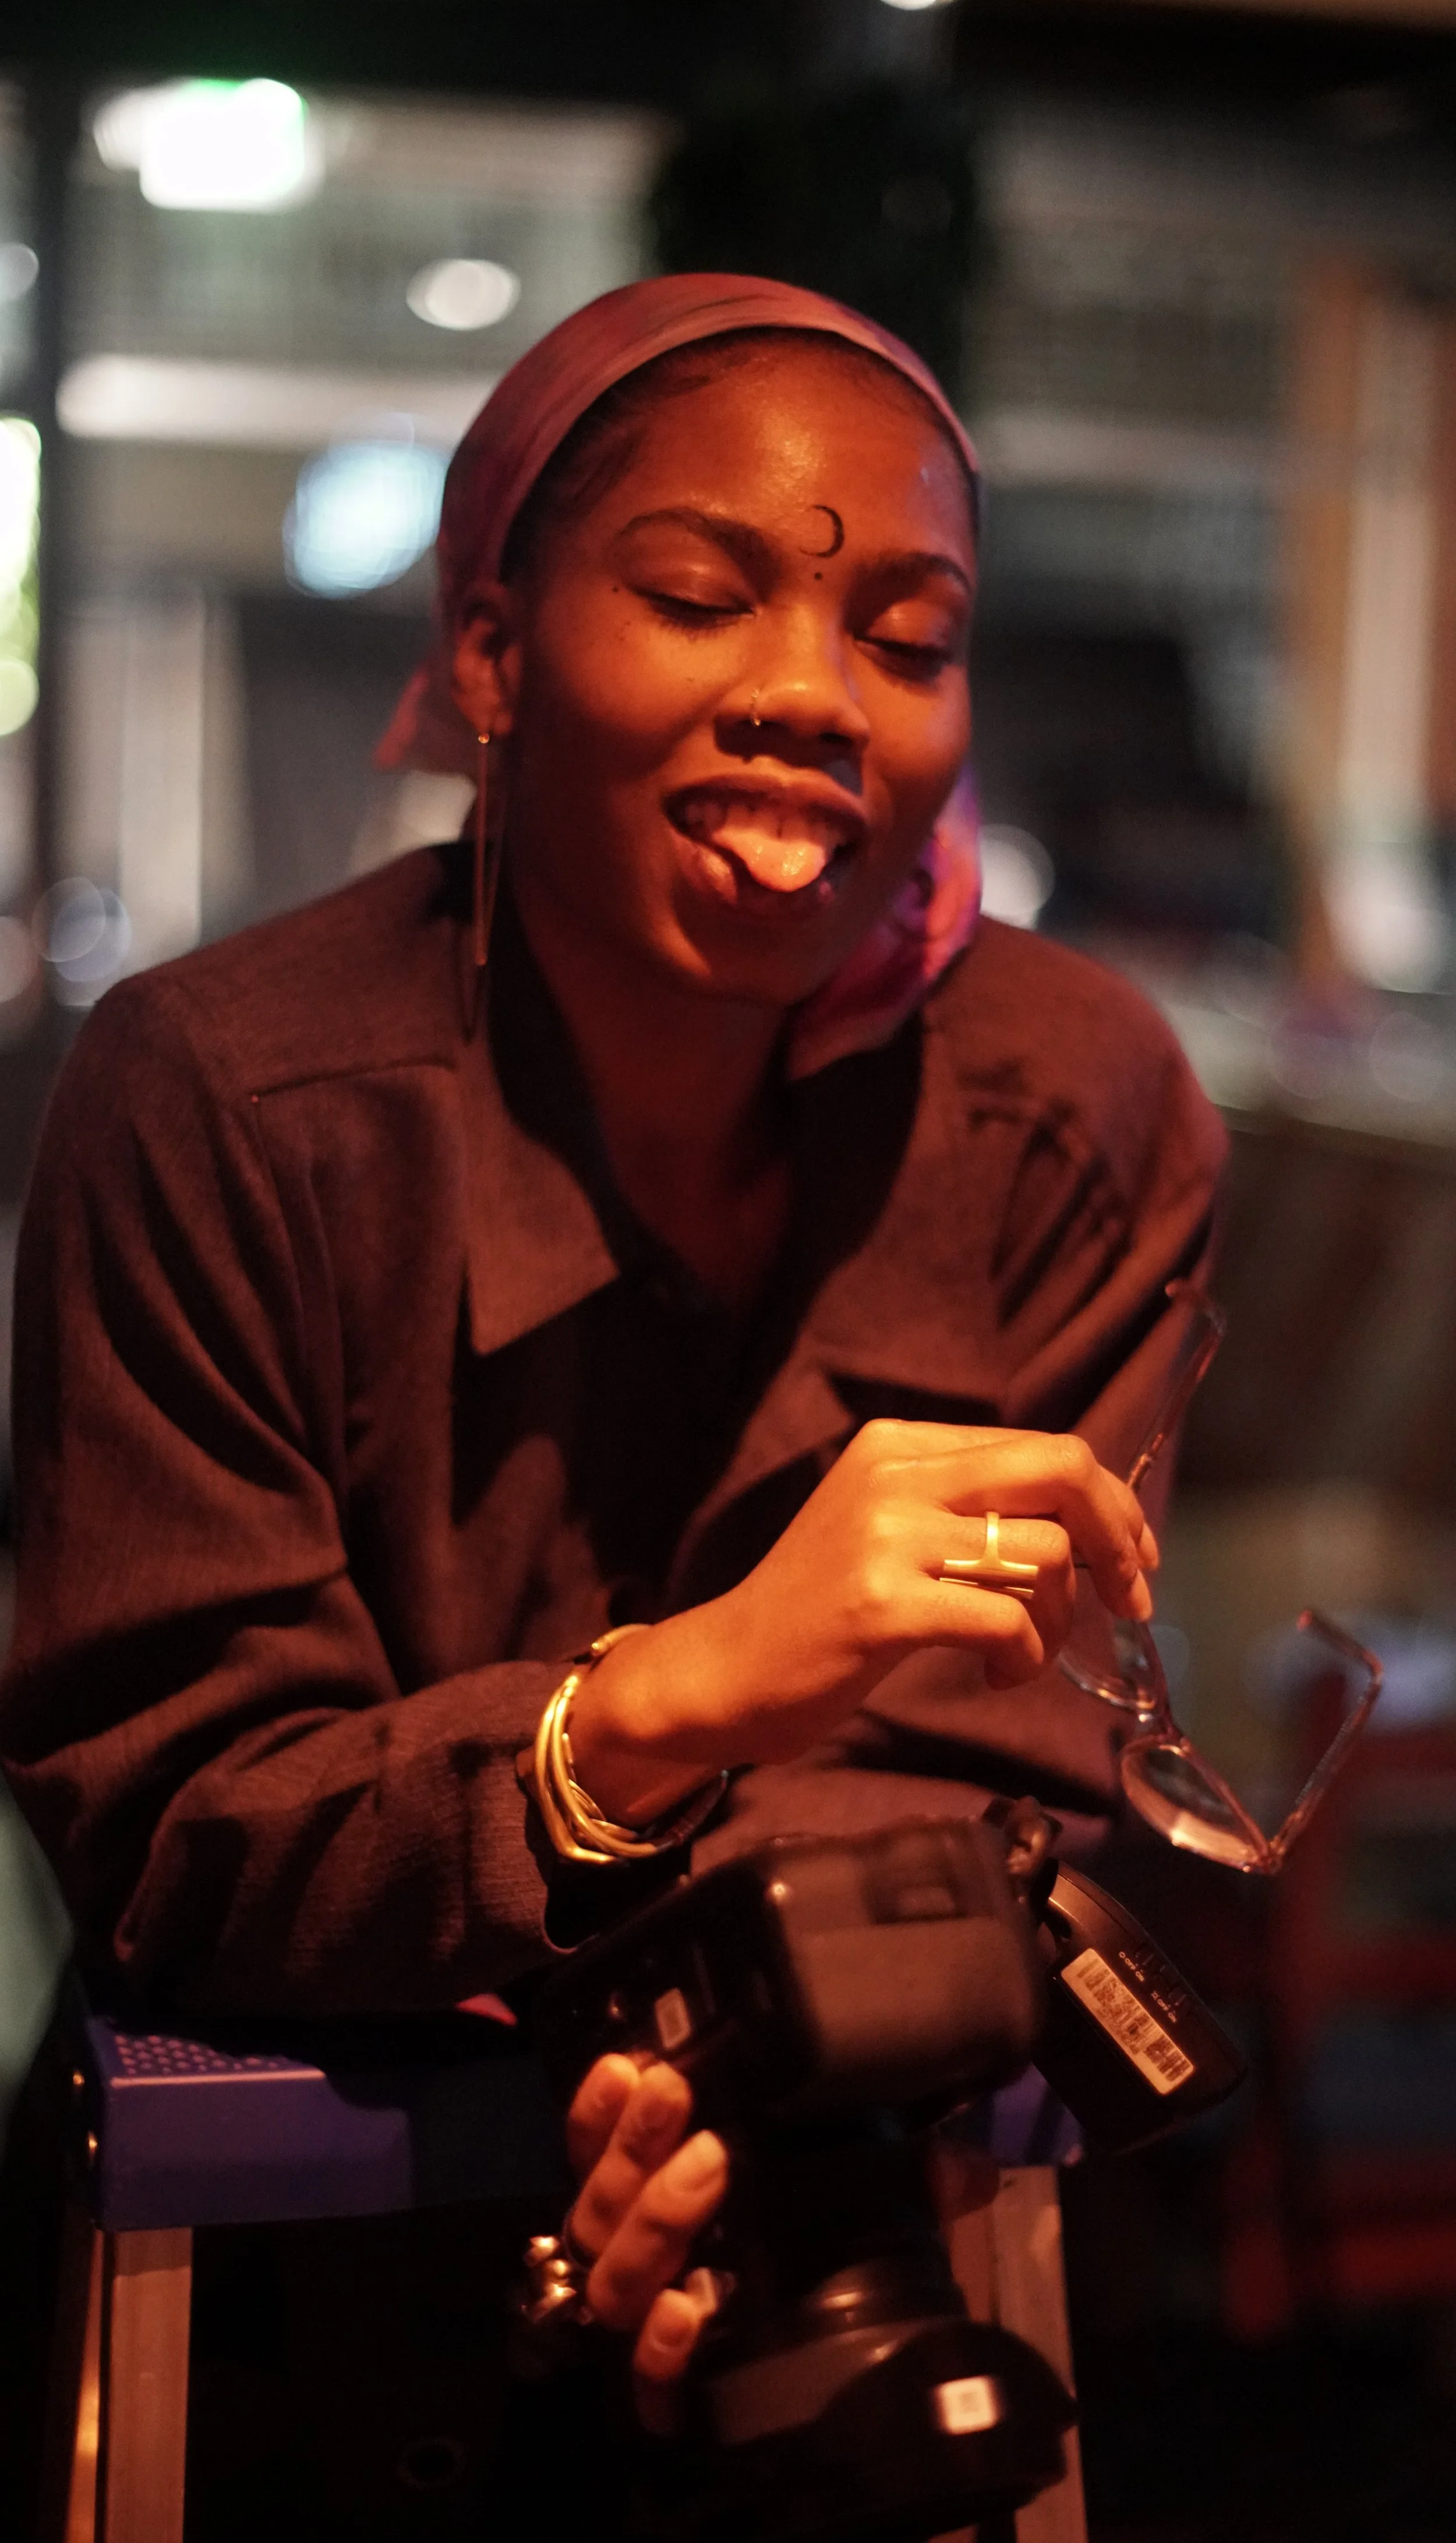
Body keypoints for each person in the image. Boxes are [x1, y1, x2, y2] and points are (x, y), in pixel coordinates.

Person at [0, 276, 1223, 2433]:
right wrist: (655, 1704)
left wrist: (713, 2045)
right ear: (490, 652)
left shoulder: (1075, 1108)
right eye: (695, 596)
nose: (811, 694)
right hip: (270, 2297)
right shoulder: (226, 1101)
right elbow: (186, 1822)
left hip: (849, 2213)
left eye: (907, 637)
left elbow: (1007, 1768)